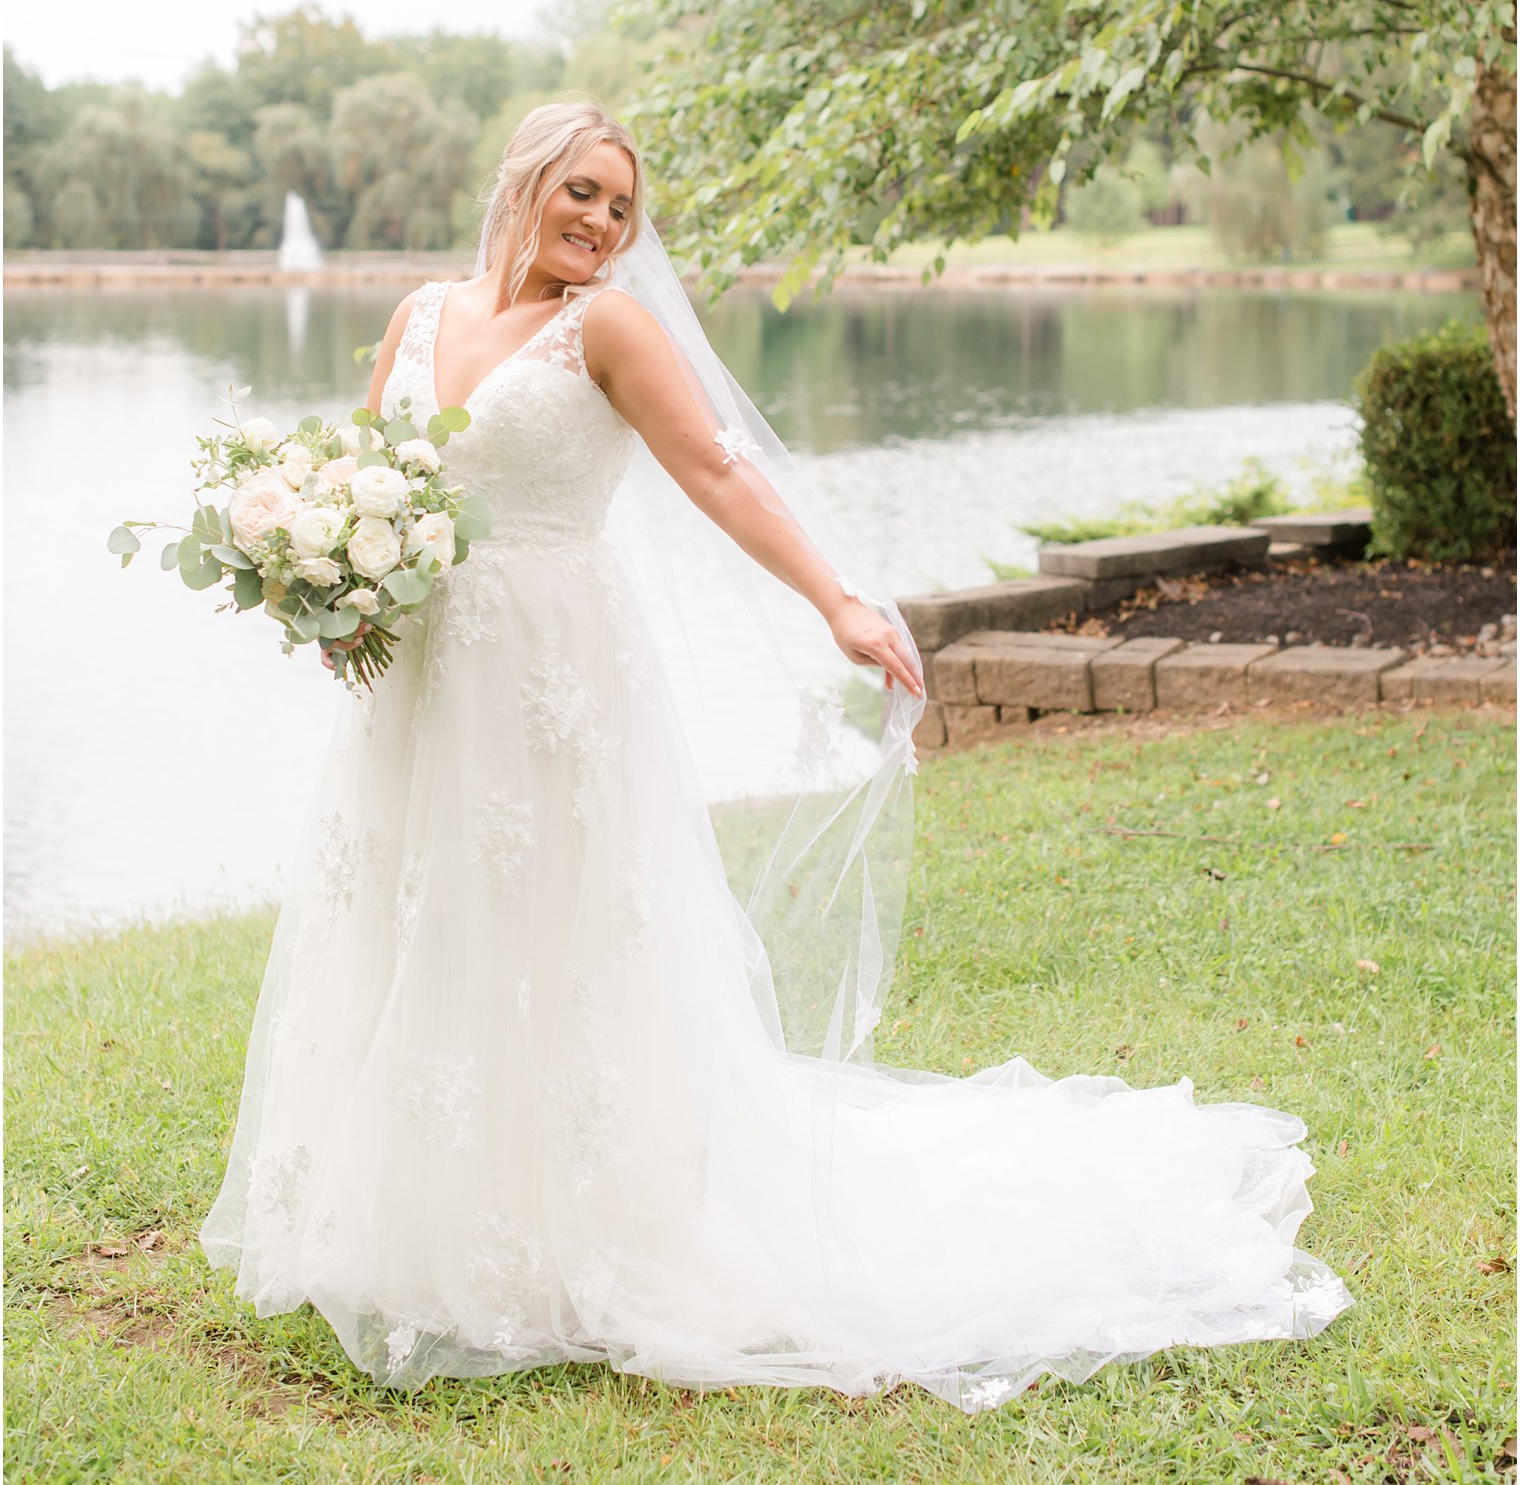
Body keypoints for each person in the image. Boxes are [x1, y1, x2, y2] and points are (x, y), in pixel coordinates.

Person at [200, 100, 1353, 1409]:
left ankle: (578, 1232)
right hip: (415, 669)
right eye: (581, 191)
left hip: (550, 672)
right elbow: (370, 471)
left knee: (550, 927)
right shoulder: (418, 317)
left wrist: (843, 603)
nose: (600, 221)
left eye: (621, 207)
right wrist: (310, 561)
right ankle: (413, 1214)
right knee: (410, 908)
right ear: (523, 181)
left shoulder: (611, 328)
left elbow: (720, 472)